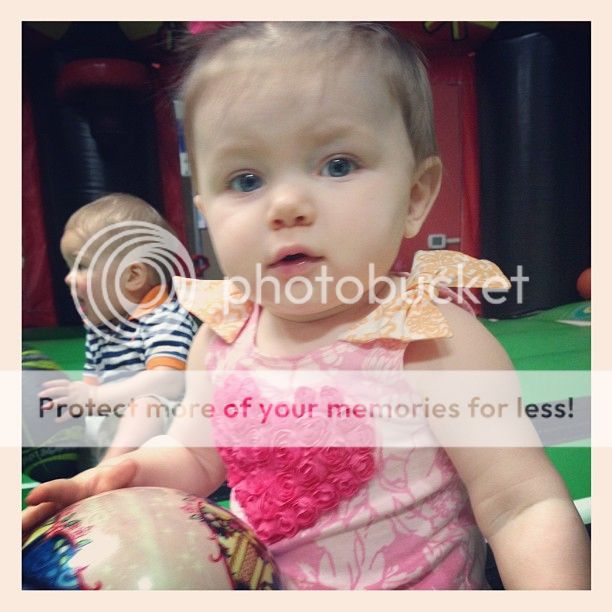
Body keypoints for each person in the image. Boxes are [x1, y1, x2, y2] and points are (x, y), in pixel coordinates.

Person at [23, 23, 590, 589]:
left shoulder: (429, 340)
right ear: (205, 212)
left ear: (415, 195)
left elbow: (519, 504)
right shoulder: (222, 338)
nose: (287, 205)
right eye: (246, 179)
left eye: (337, 164)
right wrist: (127, 476)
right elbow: (195, 457)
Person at [36, 194, 198, 461]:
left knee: (146, 406)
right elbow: (90, 389)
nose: (68, 278)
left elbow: (169, 382)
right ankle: (88, 468)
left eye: (81, 266)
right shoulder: (100, 329)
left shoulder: (164, 317)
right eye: (69, 267)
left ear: (132, 276)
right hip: (116, 428)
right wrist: (70, 405)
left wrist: (94, 397)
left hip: (170, 438)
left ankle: (108, 473)